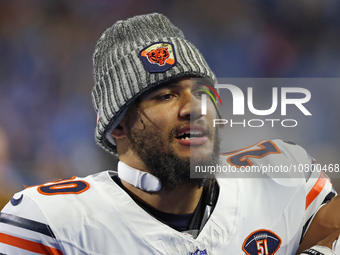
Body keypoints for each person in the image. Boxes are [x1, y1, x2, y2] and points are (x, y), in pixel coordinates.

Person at [0, 13, 339, 255]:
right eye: (165, 95)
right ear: (117, 124)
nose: (194, 108)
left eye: (204, 92)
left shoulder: (283, 176)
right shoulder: (50, 222)